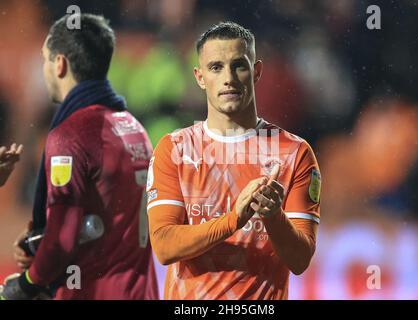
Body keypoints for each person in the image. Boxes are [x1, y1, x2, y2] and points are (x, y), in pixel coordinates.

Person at [147, 22, 321, 300]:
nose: (228, 77)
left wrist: (273, 216)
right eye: (216, 67)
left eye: (238, 65)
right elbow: (164, 246)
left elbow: (300, 261)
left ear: (256, 71)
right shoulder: (175, 149)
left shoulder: (294, 152)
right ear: (200, 77)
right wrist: (233, 220)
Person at [1, 14, 158, 300]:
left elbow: (63, 237)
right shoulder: (134, 128)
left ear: (60, 64)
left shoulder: (70, 134)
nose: (45, 68)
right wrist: (38, 240)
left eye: (46, 59)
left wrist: (25, 284)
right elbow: (105, 219)